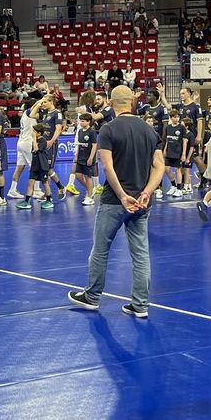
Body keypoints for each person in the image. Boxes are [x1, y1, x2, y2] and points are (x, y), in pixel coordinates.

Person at [68, 85, 163, 316]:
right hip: (141, 203)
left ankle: (92, 296)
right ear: (132, 102)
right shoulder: (150, 131)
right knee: (140, 254)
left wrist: (122, 195)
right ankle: (140, 305)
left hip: (114, 201)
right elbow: (159, 166)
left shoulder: (108, 129)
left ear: (111, 103)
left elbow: (107, 167)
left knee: (100, 250)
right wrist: (147, 192)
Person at [8, 94, 49, 200]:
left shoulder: (24, 116)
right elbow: (34, 107)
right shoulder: (29, 113)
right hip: (28, 144)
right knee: (36, 167)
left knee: (19, 168)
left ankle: (12, 190)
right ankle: (36, 191)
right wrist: (43, 99)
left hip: (21, 143)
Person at [18, 123, 55, 211]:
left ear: (39, 133)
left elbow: (35, 149)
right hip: (35, 165)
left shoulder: (43, 141)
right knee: (30, 183)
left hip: (42, 166)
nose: (32, 132)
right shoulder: (34, 140)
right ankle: (27, 201)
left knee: (45, 183)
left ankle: (49, 200)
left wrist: (34, 139)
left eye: (34, 131)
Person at [73, 113, 99, 207]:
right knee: (78, 175)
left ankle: (89, 197)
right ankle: (90, 189)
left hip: (88, 157)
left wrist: (91, 158)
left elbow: (94, 145)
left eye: (83, 121)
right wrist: (76, 155)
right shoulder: (80, 131)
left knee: (88, 177)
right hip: (80, 157)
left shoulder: (92, 132)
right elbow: (79, 144)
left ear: (88, 121)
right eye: (80, 121)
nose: (81, 122)